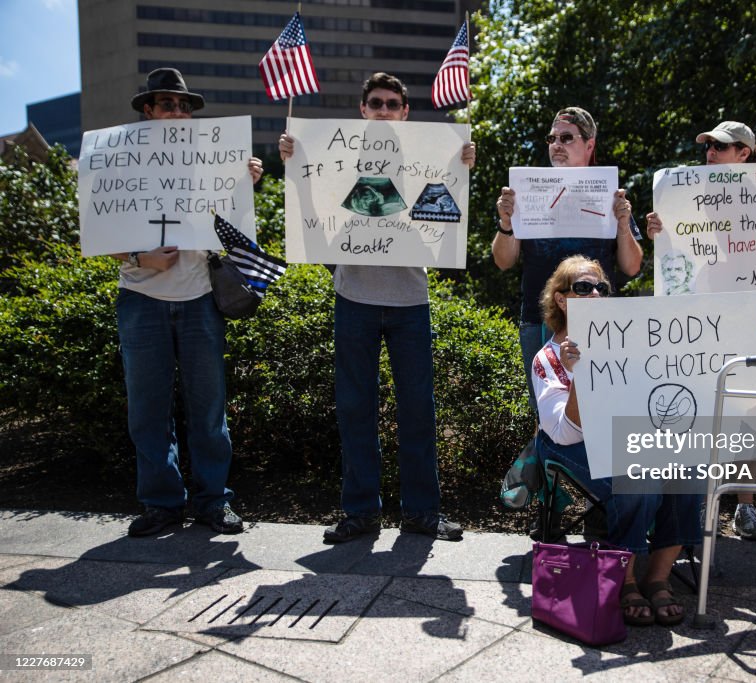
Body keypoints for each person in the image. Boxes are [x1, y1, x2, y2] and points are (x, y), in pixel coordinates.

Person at [279, 72, 475, 543]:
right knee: (354, 409)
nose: (384, 111)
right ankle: (361, 512)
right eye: (376, 104)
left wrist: (460, 166)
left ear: (405, 113)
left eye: (392, 104)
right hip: (354, 300)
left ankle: (422, 513)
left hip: (410, 301)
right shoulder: (336, 159)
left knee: (418, 412)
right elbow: (314, 219)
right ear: (362, 111)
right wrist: (294, 162)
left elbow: (444, 226)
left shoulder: (430, 161)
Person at [116, 68, 264, 536]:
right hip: (141, 296)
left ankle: (213, 502)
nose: (177, 112)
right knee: (147, 410)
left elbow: (232, 222)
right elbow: (98, 233)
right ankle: (161, 504)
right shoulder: (121, 162)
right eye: (167, 105)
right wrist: (141, 257)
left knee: (208, 409)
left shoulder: (209, 159)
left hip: (200, 297)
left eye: (183, 106)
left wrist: (247, 183)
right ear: (148, 110)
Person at [533, 255, 701, 627]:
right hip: (570, 448)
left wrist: (748, 402)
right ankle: (624, 581)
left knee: (689, 470)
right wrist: (580, 376)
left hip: (628, 439)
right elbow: (561, 431)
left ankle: (656, 577)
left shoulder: (632, 343)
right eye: (582, 287)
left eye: (601, 288)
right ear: (562, 299)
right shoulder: (548, 358)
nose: (594, 293)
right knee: (638, 480)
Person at [646, 121, 756, 540]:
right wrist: (660, 231)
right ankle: (700, 503)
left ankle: (744, 508)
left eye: (721, 147)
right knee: (703, 407)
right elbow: (680, 250)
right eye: (708, 146)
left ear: (744, 153)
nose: (710, 153)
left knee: (752, 414)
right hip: (707, 309)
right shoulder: (687, 193)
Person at [493, 107, 643, 413]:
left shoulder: (608, 194)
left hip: (599, 324)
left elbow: (632, 266)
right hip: (539, 324)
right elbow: (503, 261)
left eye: (566, 138)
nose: (556, 144)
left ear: (589, 146)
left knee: (603, 411)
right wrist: (506, 222)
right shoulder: (528, 190)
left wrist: (624, 224)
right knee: (547, 415)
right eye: (552, 138)